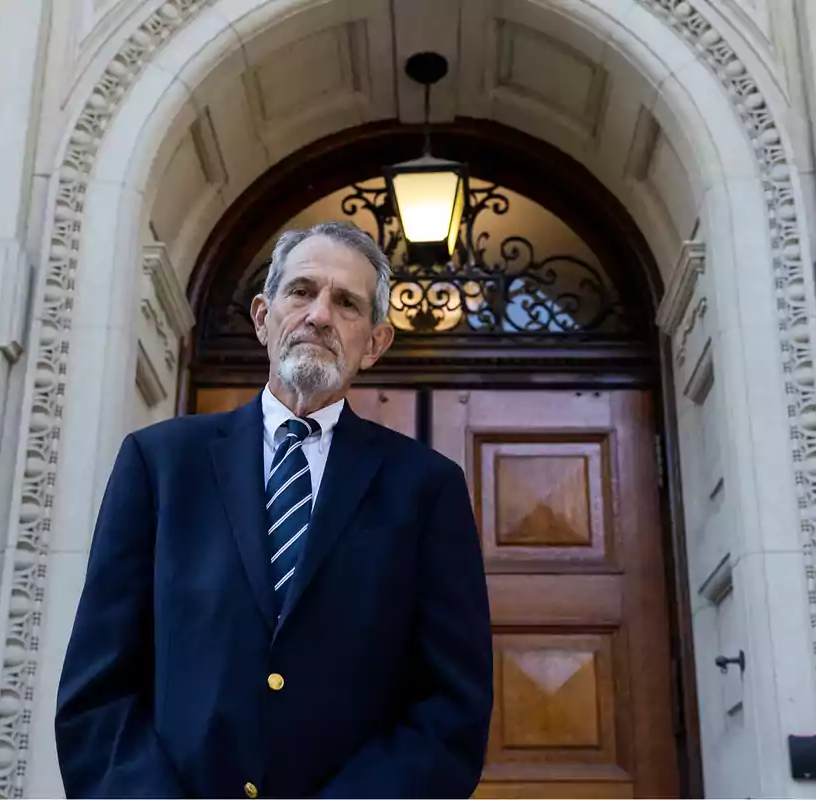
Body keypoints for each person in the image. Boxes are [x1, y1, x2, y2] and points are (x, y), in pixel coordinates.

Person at [54, 220, 493, 798]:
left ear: (376, 342)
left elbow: (451, 710)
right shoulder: (159, 465)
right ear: (263, 317)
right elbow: (98, 690)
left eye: (346, 303)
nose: (319, 316)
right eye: (301, 291)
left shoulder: (426, 489)